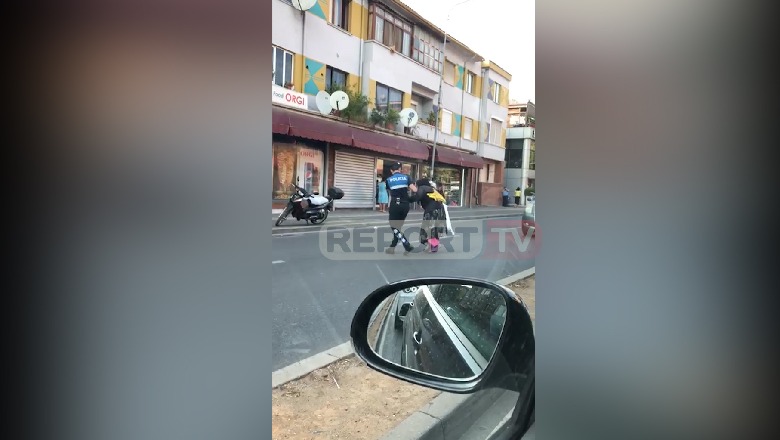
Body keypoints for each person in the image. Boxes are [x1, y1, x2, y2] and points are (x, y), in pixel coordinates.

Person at [384, 162, 417, 255]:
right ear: (400, 169)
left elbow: (389, 192)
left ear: (391, 170)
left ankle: (407, 245)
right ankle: (392, 248)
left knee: (394, 226)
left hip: (395, 205)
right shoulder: (407, 177)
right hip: (405, 205)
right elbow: (415, 190)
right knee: (397, 227)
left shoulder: (388, 180)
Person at [413, 178, 446, 252]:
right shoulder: (430, 189)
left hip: (432, 210)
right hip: (438, 210)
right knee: (432, 228)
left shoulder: (423, 188)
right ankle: (431, 245)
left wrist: (407, 199)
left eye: (416, 184)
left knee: (429, 228)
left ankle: (434, 246)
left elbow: (417, 197)